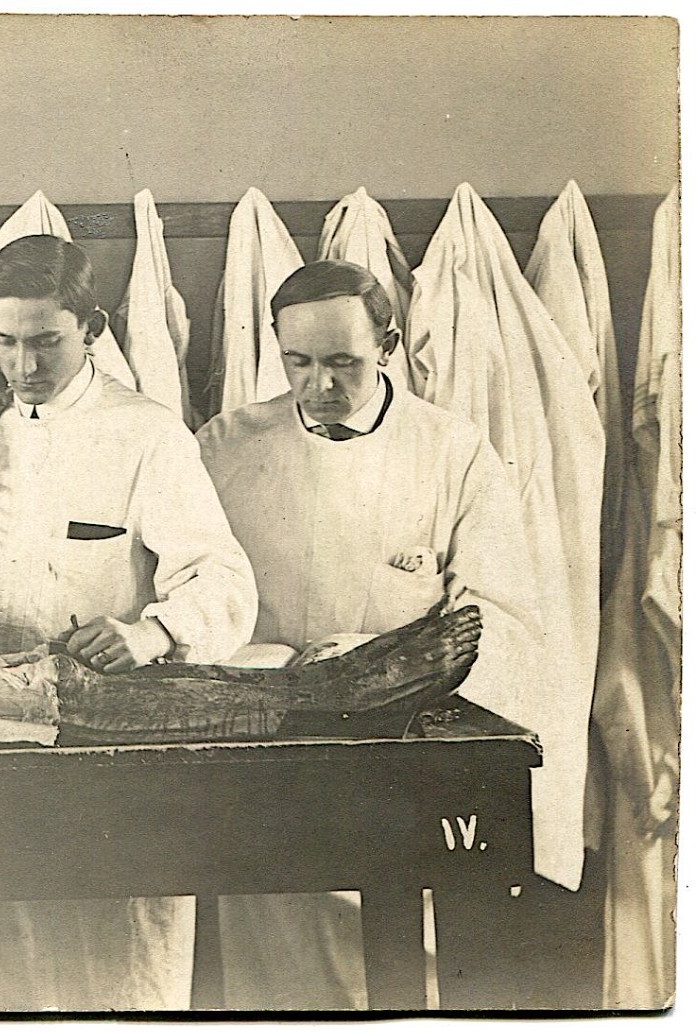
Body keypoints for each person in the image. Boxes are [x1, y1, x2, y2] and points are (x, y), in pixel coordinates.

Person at [0, 235, 258, 1010]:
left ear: (91, 326)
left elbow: (224, 581)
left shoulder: (147, 433)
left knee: (107, 967)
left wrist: (151, 633)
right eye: (6, 342)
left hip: (103, 740)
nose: (24, 365)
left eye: (45, 342)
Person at [196, 259, 544, 1009]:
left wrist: (385, 665)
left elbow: (501, 615)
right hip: (263, 761)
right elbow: (188, 593)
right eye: (300, 362)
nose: (320, 384)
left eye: (343, 363)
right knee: (271, 979)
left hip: (395, 763)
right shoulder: (224, 448)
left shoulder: (452, 454)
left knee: (387, 981)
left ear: (388, 345)